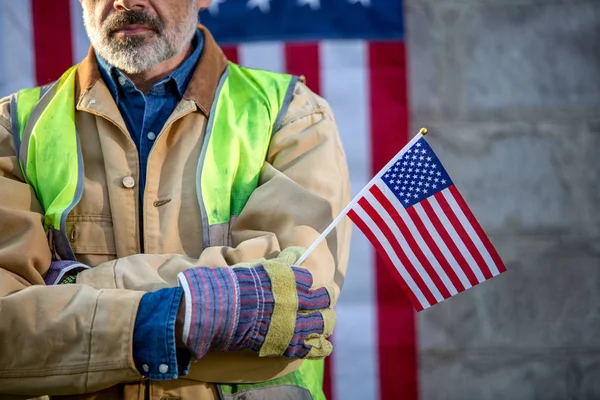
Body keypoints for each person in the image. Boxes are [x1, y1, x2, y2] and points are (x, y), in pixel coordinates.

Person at [0, 0, 351, 399]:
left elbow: (292, 306)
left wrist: (67, 289)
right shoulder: (14, 128)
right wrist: (187, 311)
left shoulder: (291, 114)